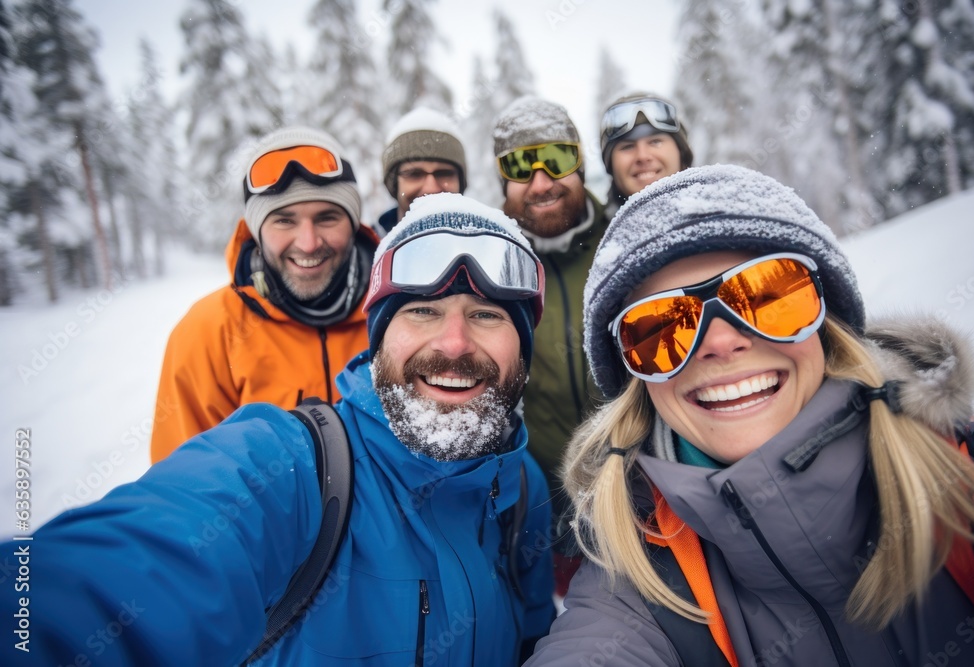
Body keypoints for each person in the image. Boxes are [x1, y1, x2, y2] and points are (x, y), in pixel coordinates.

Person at [3, 194, 555, 666]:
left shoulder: (522, 487)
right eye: (422, 313)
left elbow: (533, 641)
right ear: (379, 340)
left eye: (487, 315)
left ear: (523, 352)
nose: (454, 344)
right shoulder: (293, 468)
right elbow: (119, 575)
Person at [526, 164, 974, 665]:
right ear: (637, 381)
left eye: (766, 296)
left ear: (827, 320)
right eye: (662, 328)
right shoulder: (636, 580)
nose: (721, 341)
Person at [150, 126, 379, 462]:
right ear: (256, 233)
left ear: (354, 224)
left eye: (327, 217)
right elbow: (184, 490)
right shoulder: (209, 333)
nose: (308, 242)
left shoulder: (393, 314)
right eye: (284, 221)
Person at [492, 96, 611, 594]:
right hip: (545, 529)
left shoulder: (627, 240)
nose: (541, 182)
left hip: (653, 506)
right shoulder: (492, 268)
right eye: (521, 166)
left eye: (558, 159)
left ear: (580, 165)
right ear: (504, 184)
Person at [375, 107, 467, 237]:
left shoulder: (494, 248)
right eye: (414, 174)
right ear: (394, 185)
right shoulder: (364, 252)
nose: (430, 188)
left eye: (444, 173)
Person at [600, 92, 694, 217]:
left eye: (655, 142)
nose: (642, 156)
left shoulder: (722, 216)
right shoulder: (598, 235)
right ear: (610, 165)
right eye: (627, 147)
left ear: (681, 152)